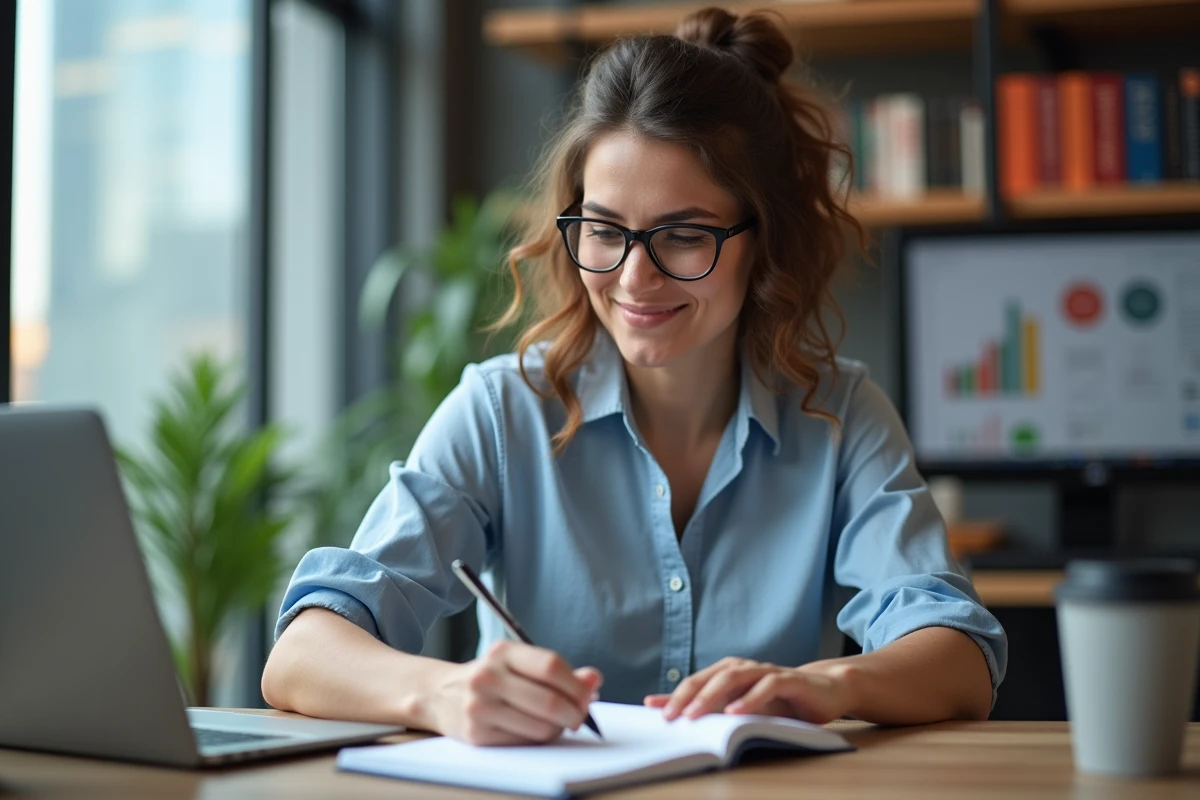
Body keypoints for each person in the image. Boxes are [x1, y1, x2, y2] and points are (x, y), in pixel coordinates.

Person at [261, 6, 1007, 746]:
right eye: (606, 230)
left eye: (684, 236)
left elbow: (962, 660)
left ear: (764, 240)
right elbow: (299, 656)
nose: (633, 277)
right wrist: (441, 691)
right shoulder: (502, 409)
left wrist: (827, 684)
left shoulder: (840, 414)